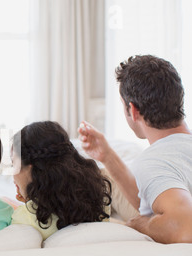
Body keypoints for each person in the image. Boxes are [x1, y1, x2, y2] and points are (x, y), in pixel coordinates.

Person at [78, 55, 192, 244]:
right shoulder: (174, 154)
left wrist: (140, 226)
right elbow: (156, 198)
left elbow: (185, 227)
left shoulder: (153, 162)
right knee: (102, 175)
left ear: (133, 110)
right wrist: (107, 155)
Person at [11, 121, 112, 240]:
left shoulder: (24, 218)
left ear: (31, 168)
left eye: (13, 164)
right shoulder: (100, 198)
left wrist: (28, 205)